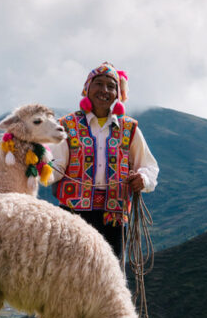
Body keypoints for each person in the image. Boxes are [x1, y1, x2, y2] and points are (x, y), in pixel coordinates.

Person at [50, 62, 159, 258]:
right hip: (73, 213)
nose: (104, 90)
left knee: (110, 275)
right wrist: (37, 170)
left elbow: (148, 165)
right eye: (98, 84)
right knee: (70, 273)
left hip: (114, 216)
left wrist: (142, 179)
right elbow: (56, 166)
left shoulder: (129, 129)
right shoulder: (67, 125)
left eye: (111, 86)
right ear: (87, 88)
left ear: (118, 94)